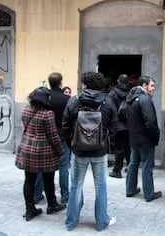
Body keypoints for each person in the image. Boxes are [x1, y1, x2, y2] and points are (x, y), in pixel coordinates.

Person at [62, 72, 117, 231]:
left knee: (75, 187)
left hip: (79, 151)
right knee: (100, 187)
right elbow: (114, 127)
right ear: (101, 86)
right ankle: (101, 222)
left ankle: (71, 222)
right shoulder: (107, 102)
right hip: (99, 152)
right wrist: (106, 143)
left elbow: (65, 126)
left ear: (84, 84)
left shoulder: (74, 101)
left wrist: (72, 144)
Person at [15, 87, 65, 221]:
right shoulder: (47, 113)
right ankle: (52, 204)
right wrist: (60, 151)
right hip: (43, 150)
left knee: (29, 180)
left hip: (27, 148)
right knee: (48, 179)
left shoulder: (26, 109)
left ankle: (30, 208)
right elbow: (53, 136)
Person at [125, 75, 161, 202]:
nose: (153, 89)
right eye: (151, 86)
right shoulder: (144, 99)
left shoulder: (130, 98)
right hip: (145, 139)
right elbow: (151, 122)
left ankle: (130, 189)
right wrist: (155, 135)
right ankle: (149, 193)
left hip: (134, 138)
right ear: (144, 85)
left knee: (133, 163)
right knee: (146, 166)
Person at [48, 72, 71, 204]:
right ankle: (65, 195)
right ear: (61, 82)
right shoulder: (66, 99)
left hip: (48, 133)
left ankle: (38, 194)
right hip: (62, 133)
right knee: (63, 165)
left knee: (44, 165)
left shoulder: (45, 98)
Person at [109, 74, 132, 178]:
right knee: (129, 147)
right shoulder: (132, 92)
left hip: (118, 124)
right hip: (130, 124)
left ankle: (117, 170)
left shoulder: (113, 93)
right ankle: (131, 168)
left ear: (118, 81)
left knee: (118, 148)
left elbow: (108, 107)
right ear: (128, 81)